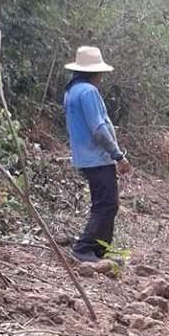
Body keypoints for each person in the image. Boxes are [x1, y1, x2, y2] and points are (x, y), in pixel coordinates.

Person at [63, 46, 131, 263]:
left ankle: (100, 250)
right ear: (94, 72)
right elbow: (99, 128)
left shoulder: (71, 91)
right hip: (97, 157)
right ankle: (84, 248)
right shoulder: (88, 92)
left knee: (105, 203)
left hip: (85, 156)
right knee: (106, 204)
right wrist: (118, 155)